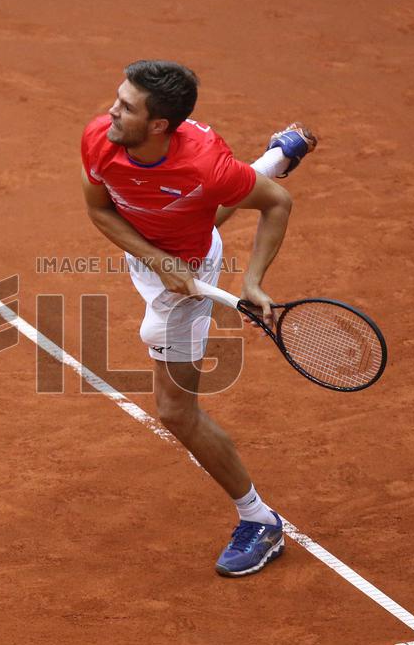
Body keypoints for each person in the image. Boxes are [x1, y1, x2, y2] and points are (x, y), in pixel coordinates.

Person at [80, 60, 317, 577]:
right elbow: (99, 210)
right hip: (157, 246)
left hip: (188, 270)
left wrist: (251, 282)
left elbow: (277, 205)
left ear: (160, 125)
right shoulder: (101, 138)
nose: (110, 114)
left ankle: (260, 521)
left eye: (126, 108)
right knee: (197, 207)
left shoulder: (207, 165)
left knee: (176, 412)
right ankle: (278, 154)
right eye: (117, 99)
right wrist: (158, 260)